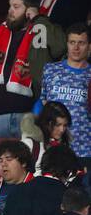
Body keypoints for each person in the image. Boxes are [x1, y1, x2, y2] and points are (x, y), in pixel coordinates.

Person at [0, 0, 66, 138]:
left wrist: (39, 19)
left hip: (29, 116)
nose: (10, 11)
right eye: (10, 6)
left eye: (16, 7)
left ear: (30, 10)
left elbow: (60, 47)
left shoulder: (40, 29)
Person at [28, 23, 89, 161]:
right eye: (72, 42)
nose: (76, 47)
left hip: (84, 149)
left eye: (81, 43)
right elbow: (42, 102)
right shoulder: (50, 70)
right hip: (54, 148)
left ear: (89, 46)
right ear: (67, 44)